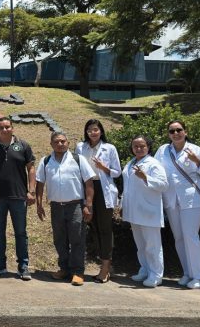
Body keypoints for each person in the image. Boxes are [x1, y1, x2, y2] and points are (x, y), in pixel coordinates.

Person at [154, 120, 200, 289]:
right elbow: (157, 170)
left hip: (191, 199)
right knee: (179, 238)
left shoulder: (196, 150)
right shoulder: (163, 150)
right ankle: (188, 273)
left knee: (191, 237)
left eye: (179, 130)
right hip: (171, 199)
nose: (175, 133)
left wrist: (197, 161)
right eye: (172, 131)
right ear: (168, 134)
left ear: (185, 132)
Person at [36, 132, 95, 286]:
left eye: (63, 141)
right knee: (59, 239)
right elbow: (40, 184)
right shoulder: (46, 161)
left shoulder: (78, 159)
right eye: (56, 142)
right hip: (56, 206)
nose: (60, 144)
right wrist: (39, 204)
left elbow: (89, 183)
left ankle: (77, 272)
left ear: (68, 143)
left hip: (75, 205)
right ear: (51, 144)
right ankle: (64, 269)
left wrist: (88, 205)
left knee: (77, 238)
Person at [0, 116, 36, 279]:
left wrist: (31, 191)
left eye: (7, 127)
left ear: (12, 128)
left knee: (20, 232)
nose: (5, 130)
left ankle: (23, 266)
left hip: (19, 197)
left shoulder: (23, 145)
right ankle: (0, 265)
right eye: (1, 127)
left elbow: (31, 169)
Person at [74, 119, 121, 283]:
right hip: (85, 187)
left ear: (101, 131)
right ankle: (98, 265)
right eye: (89, 130)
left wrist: (103, 167)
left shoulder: (110, 148)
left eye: (95, 130)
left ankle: (106, 267)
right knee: (92, 226)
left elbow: (117, 172)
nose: (92, 133)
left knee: (105, 228)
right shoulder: (80, 147)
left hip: (102, 188)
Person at [122, 136, 169, 288]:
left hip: (149, 211)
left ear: (148, 147)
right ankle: (145, 269)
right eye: (135, 146)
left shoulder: (154, 164)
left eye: (142, 146)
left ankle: (156, 275)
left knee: (152, 245)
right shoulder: (131, 163)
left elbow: (163, 185)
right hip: (134, 210)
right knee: (141, 244)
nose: (139, 148)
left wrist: (145, 177)